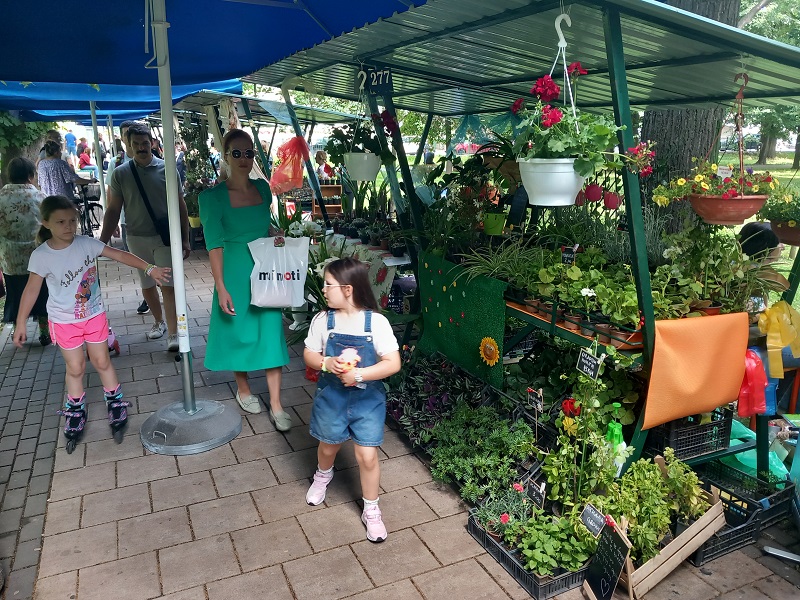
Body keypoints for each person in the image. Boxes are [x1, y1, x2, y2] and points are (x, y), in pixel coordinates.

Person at [12, 195, 170, 447]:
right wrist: (21, 323)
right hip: (63, 322)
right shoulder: (41, 256)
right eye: (61, 221)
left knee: (101, 360)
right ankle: (75, 408)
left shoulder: (86, 244)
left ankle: (115, 401)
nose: (68, 226)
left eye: (72, 220)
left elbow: (119, 255)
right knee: (75, 368)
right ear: (45, 223)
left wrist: (149, 268)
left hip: (93, 316)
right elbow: (31, 290)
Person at [302, 257, 401, 542]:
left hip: (367, 402)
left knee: (367, 456)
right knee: (328, 446)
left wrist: (359, 375)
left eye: (328, 284)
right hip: (331, 397)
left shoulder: (376, 323)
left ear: (348, 289)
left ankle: (371, 509)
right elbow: (309, 353)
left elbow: (392, 363)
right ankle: (323, 475)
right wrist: (326, 363)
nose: (323, 289)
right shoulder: (323, 320)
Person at [199, 129, 293, 428]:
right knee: (238, 330)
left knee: (270, 332)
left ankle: (277, 405)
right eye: (236, 153)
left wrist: (275, 237)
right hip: (234, 269)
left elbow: (265, 228)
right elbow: (214, 244)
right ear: (225, 156)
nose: (243, 158)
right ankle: (243, 388)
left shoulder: (263, 190)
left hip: (266, 267)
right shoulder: (212, 198)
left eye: (248, 153)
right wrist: (220, 285)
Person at [100, 122, 190, 351]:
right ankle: (158, 322)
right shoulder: (121, 174)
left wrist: (186, 238)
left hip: (164, 237)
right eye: (136, 144)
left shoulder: (167, 169)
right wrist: (101, 242)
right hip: (136, 237)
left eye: (145, 143)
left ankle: (173, 333)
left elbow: (181, 206)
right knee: (147, 283)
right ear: (129, 146)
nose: (141, 147)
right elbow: (112, 209)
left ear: (153, 143)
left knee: (167, 285)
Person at [0, 158, 50, 345]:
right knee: (42, 292)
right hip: (37, 255)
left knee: (15, 292)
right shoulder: (40, 198)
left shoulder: (0, 198)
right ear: (30, 176)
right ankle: (45, 332)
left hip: (9, 257)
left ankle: (17, 331)